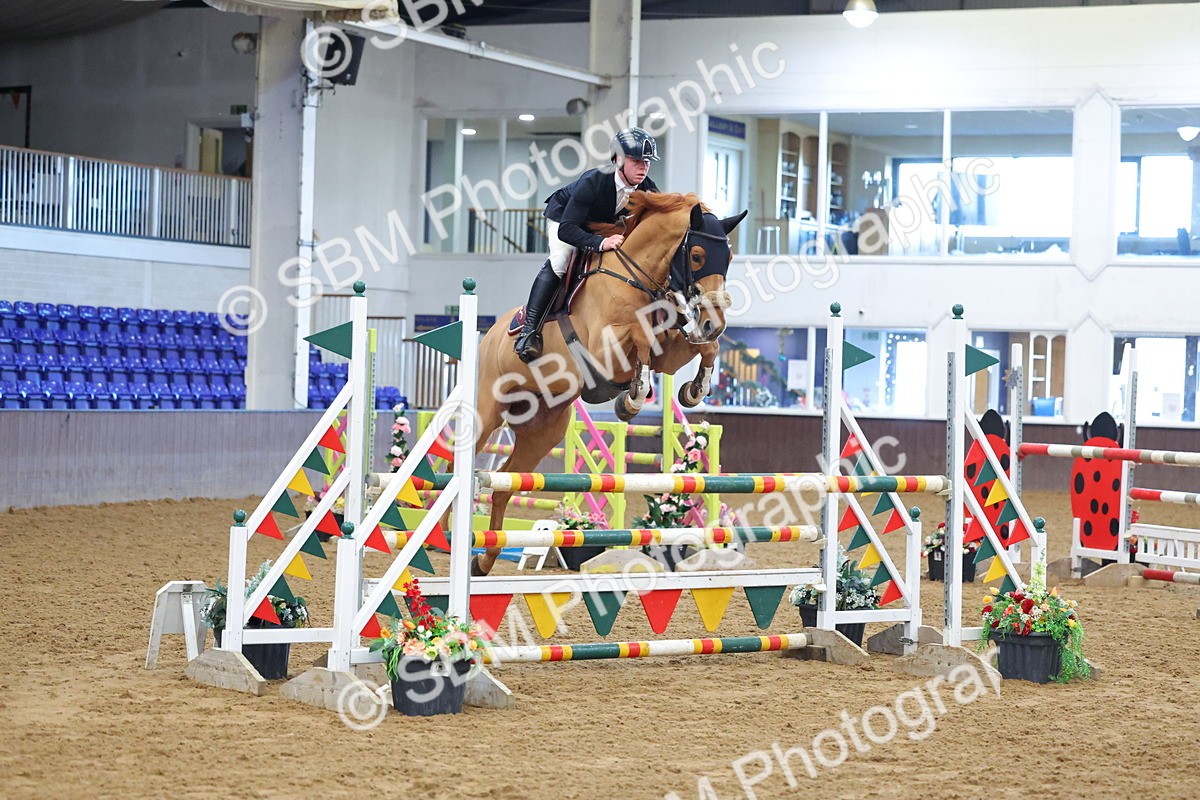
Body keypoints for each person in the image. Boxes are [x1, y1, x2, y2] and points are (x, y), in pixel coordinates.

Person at [513, 127, 661, 363]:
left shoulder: (647, 188)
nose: (643, 167)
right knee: (561, 260)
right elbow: (568, 229)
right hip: (566, 218)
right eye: (636, 161)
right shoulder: (593, 181)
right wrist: (601, 243)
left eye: (647, 161)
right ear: (618, 159)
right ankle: (529, 331)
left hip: (599, 225)